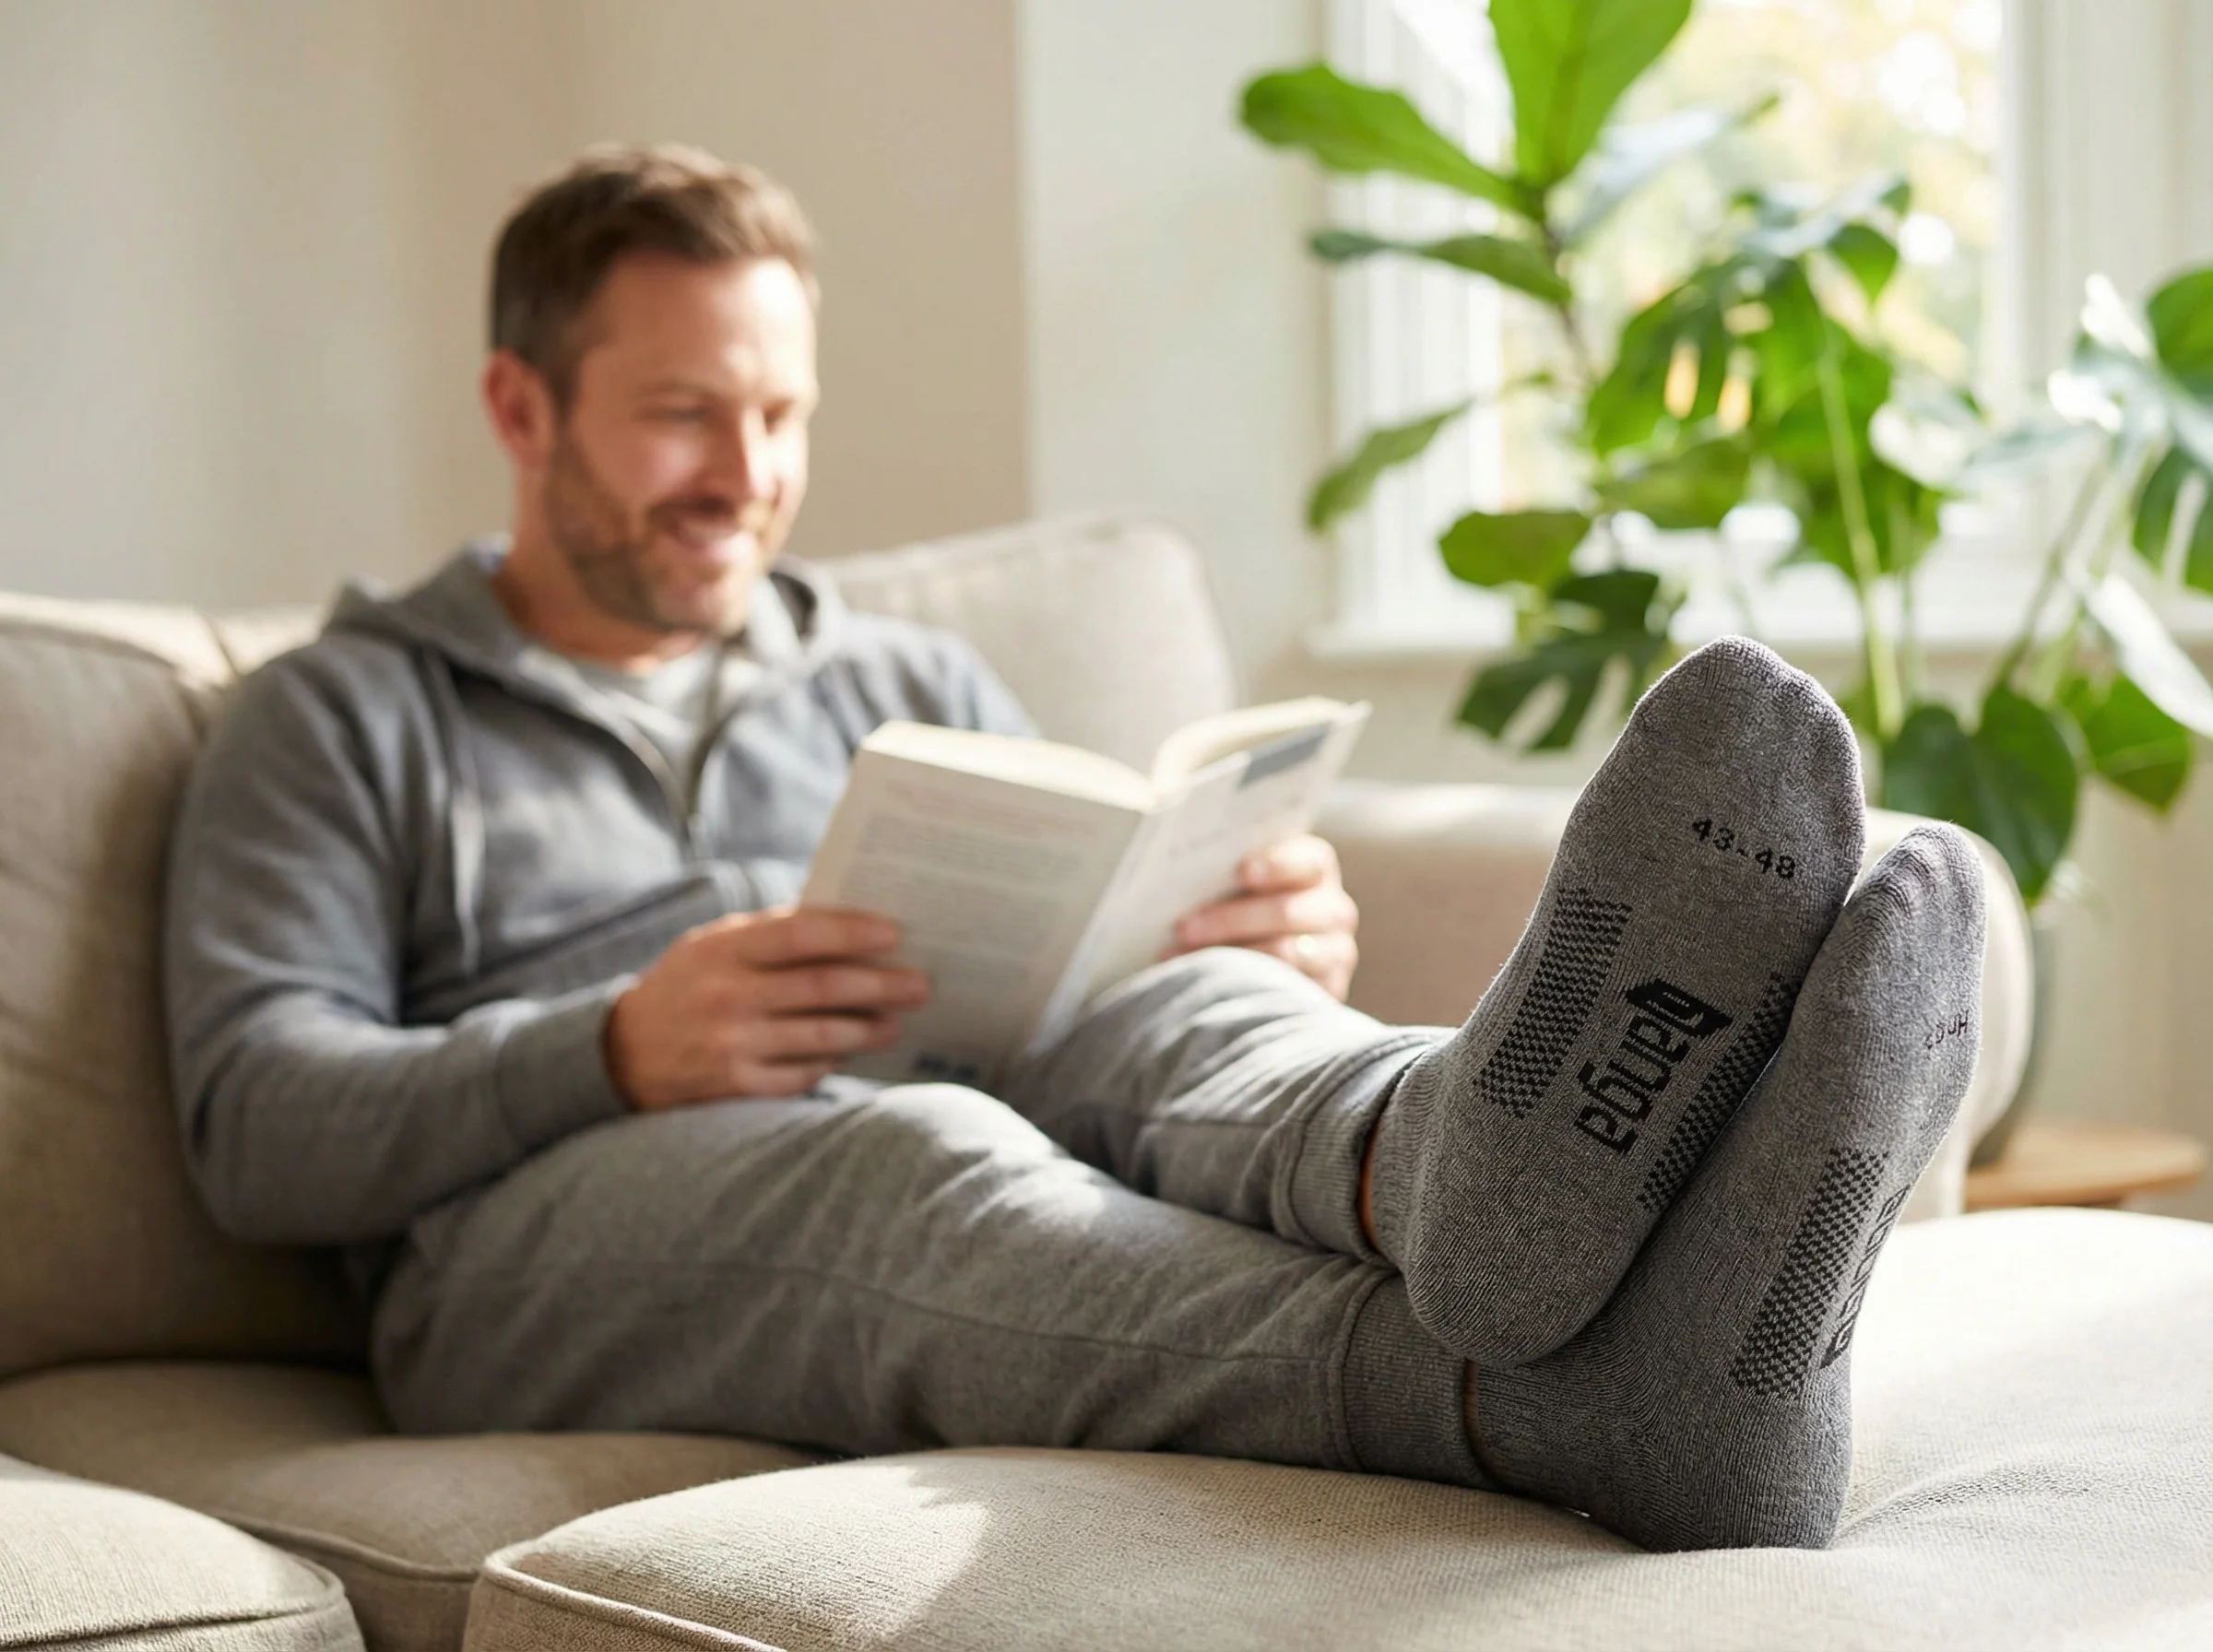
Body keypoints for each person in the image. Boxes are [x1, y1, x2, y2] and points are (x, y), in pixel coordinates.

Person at [164, 144, 1986, 1553]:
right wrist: (614, 1045)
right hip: (530, 1255)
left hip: (984, 1076)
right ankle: (1541, 1404)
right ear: (520, 407)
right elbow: (253, 1122)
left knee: (1178, 1012)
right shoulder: (340, 714)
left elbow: (1103, 983)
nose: (748, 471)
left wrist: (1232, 940)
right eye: (681, 414)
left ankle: (1440, 1155)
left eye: (781, 414)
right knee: (914, 1156)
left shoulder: (901, 677)